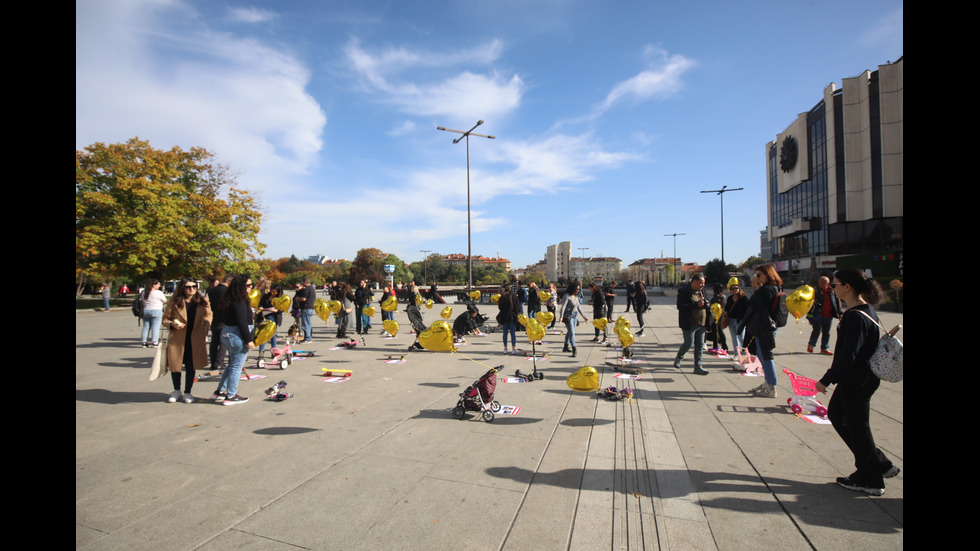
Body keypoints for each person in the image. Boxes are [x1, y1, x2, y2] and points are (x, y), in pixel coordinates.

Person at [815, 269, 898, 496]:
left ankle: (870, 478)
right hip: (861, 377)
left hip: (856, 379)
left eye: (836, 284)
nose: (833, 288)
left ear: (848, 287)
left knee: (856, 426)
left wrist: (826, 380)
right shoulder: (864, 310)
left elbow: (847, 356)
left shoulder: (855, 317)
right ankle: (878, 464)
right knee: (839, 417)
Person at [162, 277, 212, 403]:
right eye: (188, 287)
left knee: (191, 365)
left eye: (194, 286)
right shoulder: (174, 301)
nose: (192, 289)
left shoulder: (202, 301)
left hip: (195, 337)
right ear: (182, 288)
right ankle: (176, 390)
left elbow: (208, 314)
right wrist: (173, 324)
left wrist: (206, 325)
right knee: (176, 365)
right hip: (178, 338)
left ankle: (188, 392)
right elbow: (165, 319)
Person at [738, 265, 783, 396]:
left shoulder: (765, 289)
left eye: (759, 275)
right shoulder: (775, 287)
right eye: (756, 275)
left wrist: (758, 290)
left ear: (767, 275)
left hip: (764, 327)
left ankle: (771, 387)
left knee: (766, 356)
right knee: (761, 353)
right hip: (768, 326)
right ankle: (768, 382)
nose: (757, 278)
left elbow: (752, 305)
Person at [211, 274, 254, 405]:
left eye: (252, 285)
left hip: (228, 332)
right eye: (248, 285)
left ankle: (220, 391)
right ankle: (231, 395)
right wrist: (248, 340)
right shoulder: (238, 300)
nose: (251, 287)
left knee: (232, 365)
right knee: (236, 366)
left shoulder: (229, 298)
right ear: (241, 286)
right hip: (236, 334)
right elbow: (242, 322)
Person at [672, 274, 709, 375]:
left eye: (704, 283)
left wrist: (706, 304)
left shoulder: (702, 291)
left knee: (700, 345)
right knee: (689, 343)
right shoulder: (684, 291)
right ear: (694, 281)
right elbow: (680, 306)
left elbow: (705, 302)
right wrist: (695, 305)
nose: (703, 285)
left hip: (701, 322)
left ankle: (698, 366)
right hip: (689, 323)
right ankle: (679, 357)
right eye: (701, 283)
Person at [808, 276, 841, 355]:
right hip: (817, 315)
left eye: (823, 283)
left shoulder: (832, 292)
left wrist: (839, 312)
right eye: (820, 282)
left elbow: (837, 302)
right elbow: (808, 302)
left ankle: (824, 348)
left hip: (828, 315)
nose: (821, 284)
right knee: (816, 330)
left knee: (826, 332)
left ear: (828, 283)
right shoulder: (815, 292)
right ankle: (811, 345)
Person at [207, 275, 232, 369]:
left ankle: (213, 362)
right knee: (223, 343)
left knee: (214, 341)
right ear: (229, 282)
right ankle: (219, 362)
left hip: (214, 318)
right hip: (224, 319)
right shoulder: (228, 291)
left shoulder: (212, 290)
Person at [560, 282, 588, 357]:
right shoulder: (567, 296)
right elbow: (563, 307)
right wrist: (561, 316)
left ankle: (565, 346)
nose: (578, 290)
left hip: (575, 316)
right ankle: (574, 350)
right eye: (577, 289)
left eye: (578, 289)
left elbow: (579, 307)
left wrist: (584, 317)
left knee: (570, 332)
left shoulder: (576, 297)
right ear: (573, 288)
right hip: (568, 316)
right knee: (572, 333)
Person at [257, 284, 284, 358]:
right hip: (264, 316)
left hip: (273, 317)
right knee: (263, 334)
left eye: (274, 292)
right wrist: (261, 307)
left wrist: (277, 310)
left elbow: (282, 309)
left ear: (278, 292)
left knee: (273, 335)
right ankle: (261, 351)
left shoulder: (280, 298)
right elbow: (260, 304)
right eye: (272, 291)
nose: (272, 293)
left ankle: (273, 350)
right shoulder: (266, 296)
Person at [140, 279, 167, 348]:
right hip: (156, 310)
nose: (159, 286)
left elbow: (142, 301)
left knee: (146, 327)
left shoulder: (144, 292)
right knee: (156, 327)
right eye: (158, 284)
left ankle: (144, 342)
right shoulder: (158, 292)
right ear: (154, 285)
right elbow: (165, 301)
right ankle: (155, 342)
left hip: (145, 311)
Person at [724, 280, 748, 352]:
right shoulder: (730, 298)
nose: (735, 290)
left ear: (739, 288)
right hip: (731, 319)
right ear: (730, 290)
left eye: (736, 288)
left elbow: (747, 309)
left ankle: (746, 352)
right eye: (733, 289)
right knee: (734, 338)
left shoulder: (743, 298)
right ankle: (736, 353)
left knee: (741, 337)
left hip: (740, 320)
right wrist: (726, 312)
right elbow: (727, 307)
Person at [497, 285, 520, 354]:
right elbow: (518, 308)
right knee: (513, 333)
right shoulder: (515, 296)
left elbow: (500, 307)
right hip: (513, 316)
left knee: (505, 333)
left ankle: (505, 348)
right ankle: (513, 348)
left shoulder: (502, 297)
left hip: (505, 316)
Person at [707, 284, 729, 352]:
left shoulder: (716, 297)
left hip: (716, 315)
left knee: (716, 331)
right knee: (720, 331)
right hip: (721, 315)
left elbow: (712, 306)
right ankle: (723, 345)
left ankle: (717, 345)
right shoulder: (723, 296)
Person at [295, 277, 316, 343]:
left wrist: (297, 299)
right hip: (310, 308)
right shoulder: (312, 288)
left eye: (303, 282)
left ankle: (307, 338)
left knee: (305, 323)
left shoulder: (307, 289)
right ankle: (308, 336)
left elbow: (304, 298)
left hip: (306, 307)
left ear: (305, 282)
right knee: (308, 323)